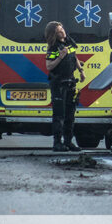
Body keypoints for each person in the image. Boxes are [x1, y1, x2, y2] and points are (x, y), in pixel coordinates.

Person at [44, 21, 85, 152]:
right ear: (54, 34)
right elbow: (49, 66)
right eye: (59, 31)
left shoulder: (69, 43)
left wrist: (81, 70)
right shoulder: (53, 48)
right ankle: (57, 143)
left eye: (62, 29)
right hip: (59, 84)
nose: (63, 32)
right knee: (59, 115)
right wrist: (60, 57)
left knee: (70, 115)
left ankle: (68, 142)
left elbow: (74, 57)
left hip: (70, 83)